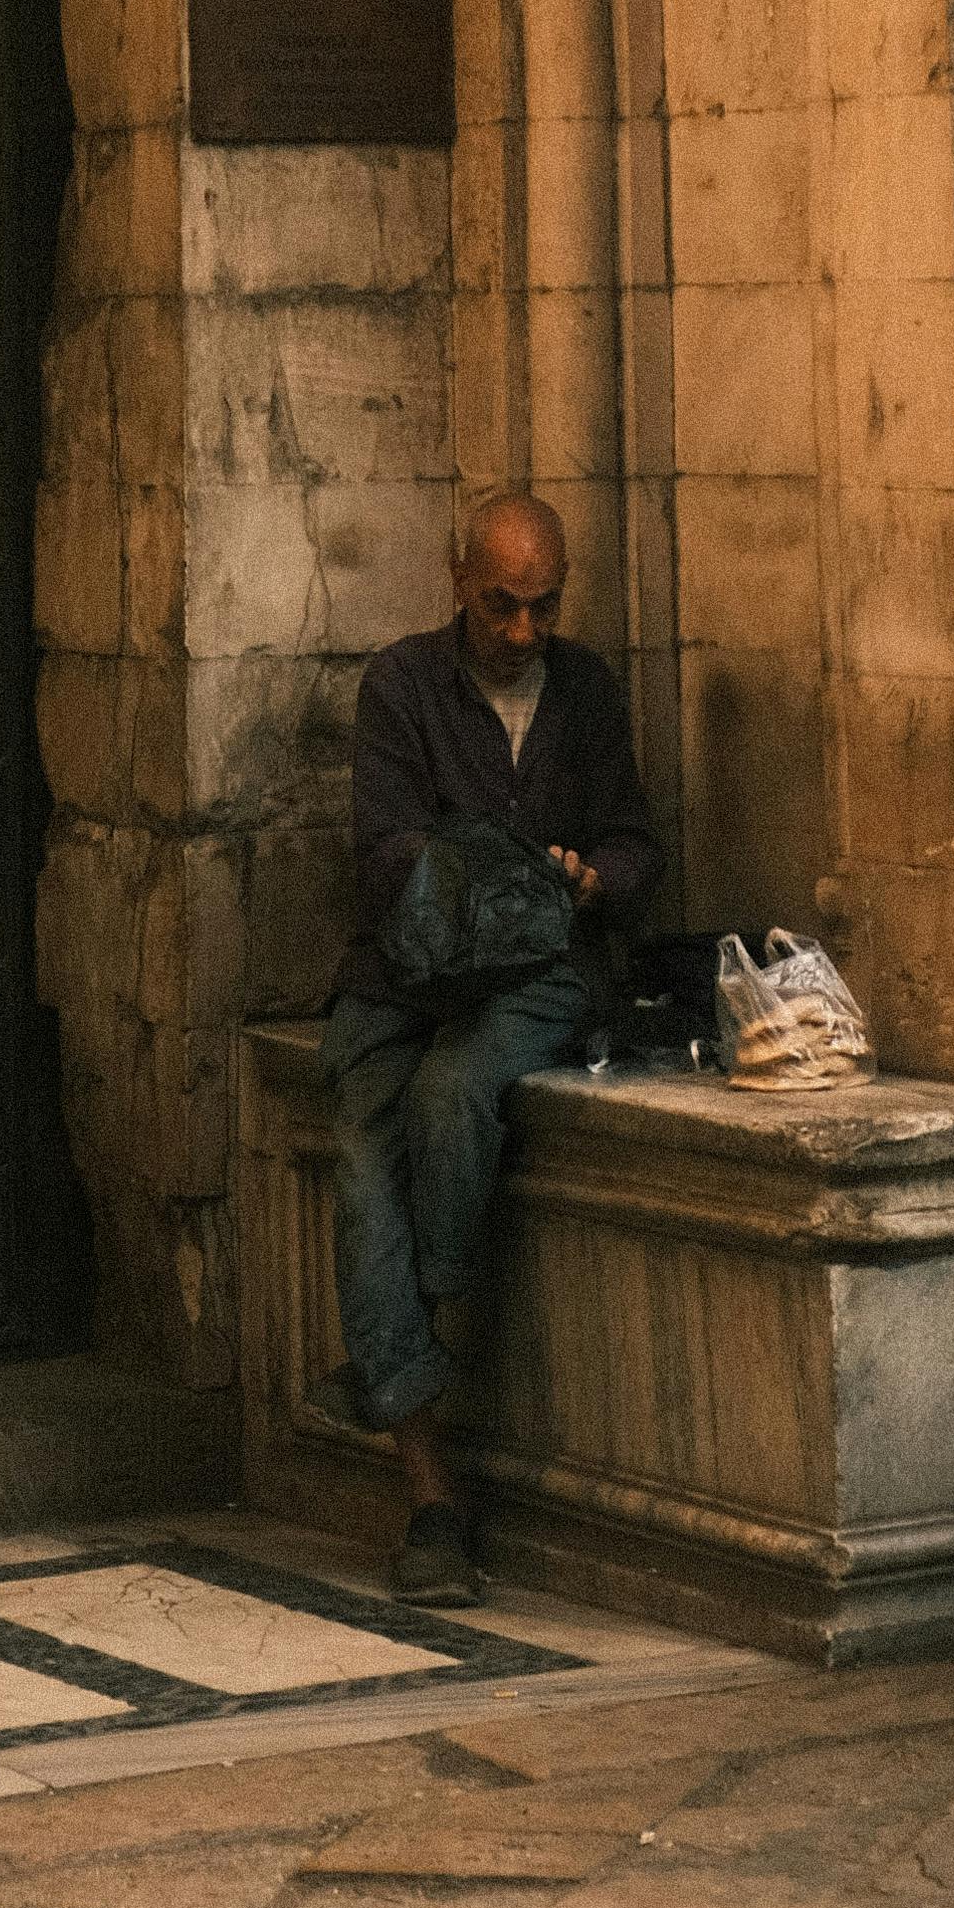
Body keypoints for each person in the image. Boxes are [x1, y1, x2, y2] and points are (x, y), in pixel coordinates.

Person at [322, 489, 658, 1596]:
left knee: (453, 1096)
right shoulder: (403, 684)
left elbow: (632, 842)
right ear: (455, 584)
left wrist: (591, 877)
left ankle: (408, 1330)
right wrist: (498, 877)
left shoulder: (587, 690)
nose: (522, 632)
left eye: (542, 607)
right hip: (404, 981)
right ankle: (430, 1503)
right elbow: (386, 856)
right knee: (366, 1172)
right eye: (499, 607)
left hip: (536, 978)